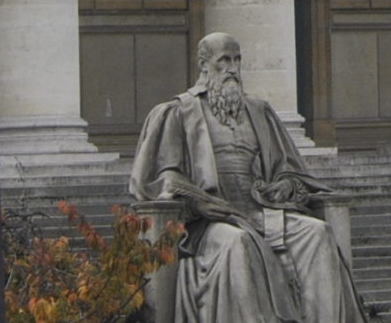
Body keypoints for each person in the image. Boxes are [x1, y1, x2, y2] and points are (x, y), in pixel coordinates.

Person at [130, 33, 365, 323]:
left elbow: (290, 170)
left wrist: (286, 185)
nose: (232, 68)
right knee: (237, 242)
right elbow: (160, 180)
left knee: (318, 234)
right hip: (209, 223)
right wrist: (196, 204)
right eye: (224, 60)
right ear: (204, 65)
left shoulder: (259, 111)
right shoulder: (178, 112)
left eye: (237, 59)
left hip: (261, 211)